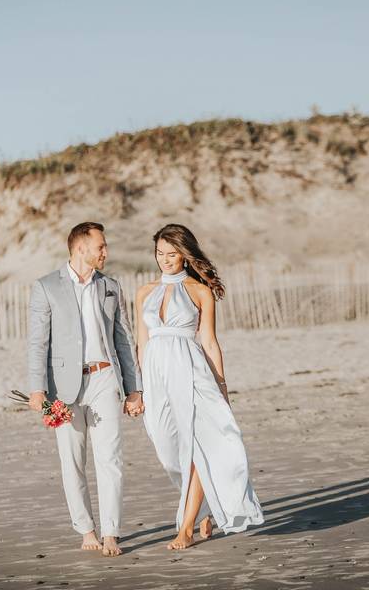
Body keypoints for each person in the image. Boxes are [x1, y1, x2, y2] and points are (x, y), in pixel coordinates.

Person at [135, 223, 263, 550]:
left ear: (185, 254)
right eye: (160, 253)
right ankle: (205, 505)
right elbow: (140, 343)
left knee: (197, 446)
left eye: (172, 254)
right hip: (155, 375)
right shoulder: (144, 292)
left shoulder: (199, 291)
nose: (165, 260)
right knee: (167, 448)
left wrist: (222, 387)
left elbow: (208, 341)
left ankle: (187, 526)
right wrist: (136, 389)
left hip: (190, 371)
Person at [27, 221, 144, 557]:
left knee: (111, 458)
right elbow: (38, 342)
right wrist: (37, 390)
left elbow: (123, 337)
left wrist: (135, 389)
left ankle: (111, 532)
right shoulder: (46, 286)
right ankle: (86, 529)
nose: (106, 252)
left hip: (105, 378)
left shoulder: (110, 286)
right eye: (101, 247)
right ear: (81, 248)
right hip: (63, 388)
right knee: (73, 460)